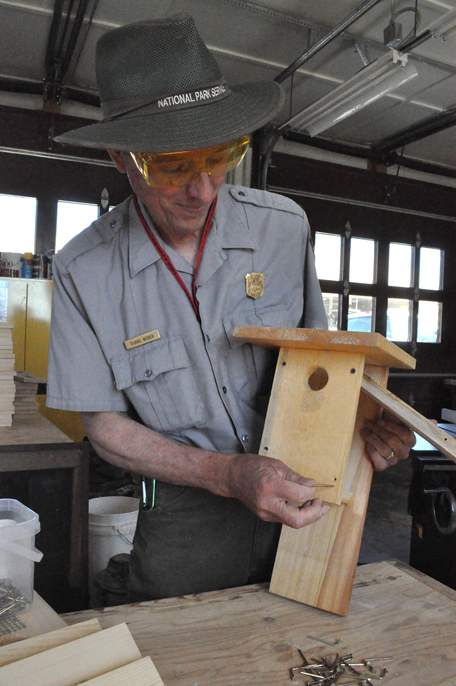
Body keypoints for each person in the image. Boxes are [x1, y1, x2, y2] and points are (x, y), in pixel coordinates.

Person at [47, 15, 415, 601]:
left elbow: (327, 364)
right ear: (119, 156)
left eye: (221, 156)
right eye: (172, 166)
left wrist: (366, 427)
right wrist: (227, 475)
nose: (203, 189)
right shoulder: (81, 271)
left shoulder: (285, 228)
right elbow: (105, 428)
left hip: (306, 482)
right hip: (187, 508)